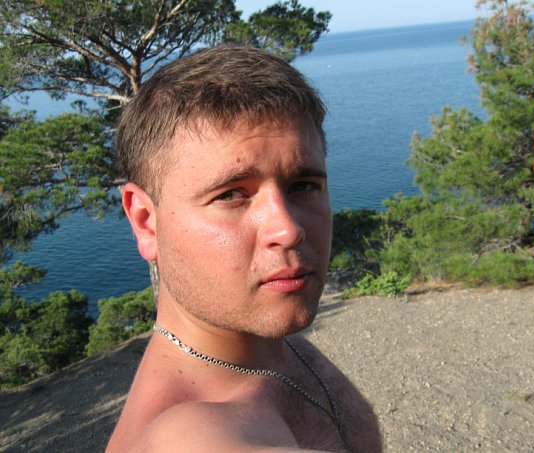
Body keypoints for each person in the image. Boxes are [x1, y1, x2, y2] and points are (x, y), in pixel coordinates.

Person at [107, 45, 381, 453]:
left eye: (303, 186)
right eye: (231, 194)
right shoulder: (187, 437)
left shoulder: (269, 343)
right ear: (146, 221)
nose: (288, 230)